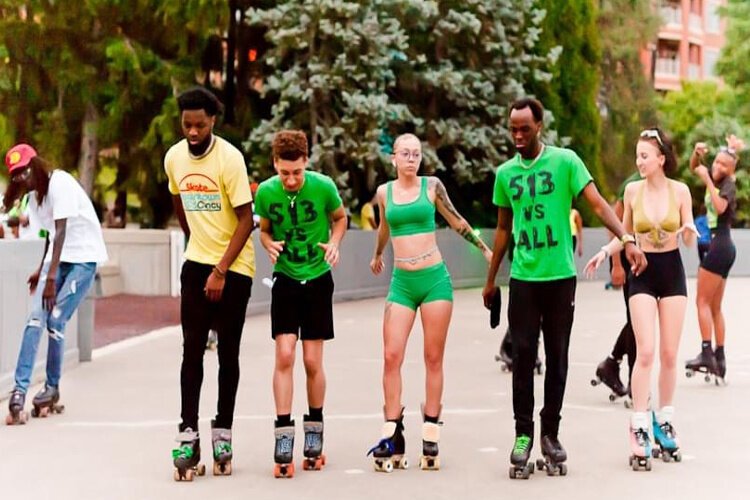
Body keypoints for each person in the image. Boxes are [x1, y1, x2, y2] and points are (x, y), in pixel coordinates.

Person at [482, 98, 646, 479]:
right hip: (523, 279)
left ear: (540, 126)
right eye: (513, 129)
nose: (518, 136)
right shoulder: (506, 174)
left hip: (559, 279)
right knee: (523, 357)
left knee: (557, 357)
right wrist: (491, 281)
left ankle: (550, 434)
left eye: (524, 128)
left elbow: (599, 204)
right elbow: (504, 229)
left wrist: (627, 238)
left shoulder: (566, 161)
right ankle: (523, 435)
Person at [367, 133, 492, 472]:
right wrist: (378, 253)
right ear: (393, 158)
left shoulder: (432, 186)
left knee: (432, 357)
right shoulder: (384, 193)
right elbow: (384, 227)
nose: (411, 158)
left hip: (434, 279)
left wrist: (485, 251)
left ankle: (431, 430)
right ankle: (392, 431)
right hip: (402, 283)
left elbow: (457, 221)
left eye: (417, 154)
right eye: (405, 153)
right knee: (392, 356)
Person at [586, 128, 696, 469]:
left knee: (669, 353)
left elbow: (690, 233)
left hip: (672, 271)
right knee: (645, 351)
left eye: (645, 156)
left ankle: (665, 419)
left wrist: (690, 232)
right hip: (642, 272)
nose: (640, 161)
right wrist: (606, 252)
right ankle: (639, 426)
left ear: (661, 159)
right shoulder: (632, 190)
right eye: (637, 156)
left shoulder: (681, 190)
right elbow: (625, 233)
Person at [165, 87, 255, 480]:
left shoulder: (230, 159)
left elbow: (245, 219)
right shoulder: (174, 158)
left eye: (200, 124)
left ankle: (223, 430)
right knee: (192, 350)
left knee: (228, 353)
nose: (193, 131)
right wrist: (196, 245)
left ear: (213, 121)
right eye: (187, 124)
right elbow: (178, 200)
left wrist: (220, 269)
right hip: (197, 262)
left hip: (234, 267)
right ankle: (188, 432)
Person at [254, 129, 347, 478]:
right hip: (287, 279)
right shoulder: (266, 192)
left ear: (306, 162)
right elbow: (263, 228)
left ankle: (315, 428)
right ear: (275, 165)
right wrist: (267, 243)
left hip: (318, 278)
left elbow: (340, 219)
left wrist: (334, 243)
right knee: (284, 354)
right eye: (284, 173)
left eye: (297, 172)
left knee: (311, 359)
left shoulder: (322, 186)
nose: (291, 180)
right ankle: (282, 433)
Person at [3, 143, 108, 425]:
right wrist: (41, 271)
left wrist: (51, 279)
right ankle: (19, 391)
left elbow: (62, 230)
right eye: (15, 176)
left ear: (35, 165)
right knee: (35, 319)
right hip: (57, 259)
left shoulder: (59, 182)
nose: (21, 179)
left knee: (56, 320)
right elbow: (50, 236)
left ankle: (52, 386)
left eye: (24, 171)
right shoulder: (35, 198)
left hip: (83, 259)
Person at [685, 136, 743, 383]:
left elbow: (720, 207)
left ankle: (706, 352)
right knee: (715, 306)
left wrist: (709, 180)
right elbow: (693, 166)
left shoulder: (728, 184)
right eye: (716, 163)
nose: (717, 167)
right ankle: (720, 358)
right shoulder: (719, 177)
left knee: (702, 302)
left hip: (719, 244)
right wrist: (697, 152)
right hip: (723, 246)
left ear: (731, 170)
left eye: (723, 165)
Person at [592, 171, 641, 402]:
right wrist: (616, 264)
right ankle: (634, 381)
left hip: (652, 264)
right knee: (636, 324)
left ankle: (611, 364)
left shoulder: (666, 186)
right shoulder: (631, 184)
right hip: (631, 263)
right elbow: (614, 223)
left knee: (639, 323)